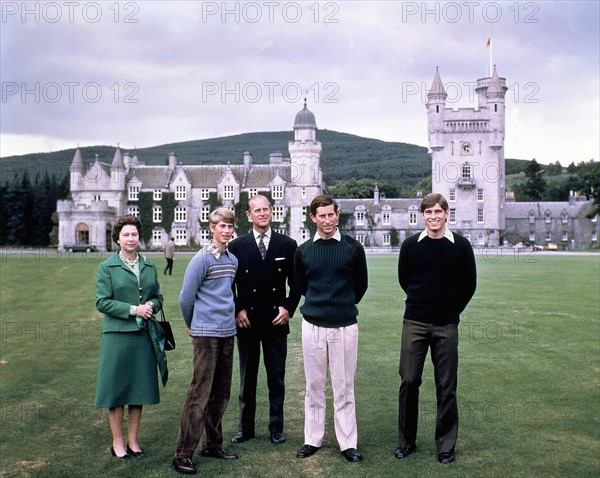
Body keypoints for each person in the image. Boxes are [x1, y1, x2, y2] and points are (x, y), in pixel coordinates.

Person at [395, 192, 477, 465]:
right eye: (428, 213)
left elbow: (469, 285)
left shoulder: (461, 246)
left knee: (446, 386)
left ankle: (445, 446)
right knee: (408, 381)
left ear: (446, 214)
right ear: (423, 215)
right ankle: (406, 442)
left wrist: (451, 310)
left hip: (446, 324)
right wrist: (423, 304)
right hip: (415, 321)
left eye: (438, 212)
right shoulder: (410, 246)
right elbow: (405, 280)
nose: (433, 217)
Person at [294, 194, 368, 463]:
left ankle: (348, 443)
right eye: (321, 216)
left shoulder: (353, 248)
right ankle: (312, 439)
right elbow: (302, 286)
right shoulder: (303, 251)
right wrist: (320, 305)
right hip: (312, 324)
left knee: (344, 387)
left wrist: (342, 305)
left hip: (345, 326)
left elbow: (361, 286)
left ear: (338, 215)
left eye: (331, 214)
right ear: (313, 218)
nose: (327, 220)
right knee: (314, 386)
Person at [228, 195, 301, 445]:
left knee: (276, 378)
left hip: (275, 321)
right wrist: (238, 310)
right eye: (257, 210)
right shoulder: (237, 246)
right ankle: (245, 429)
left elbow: (298, 284)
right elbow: (228, 285)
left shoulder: (287, 244)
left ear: (272, 211)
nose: (262, 214)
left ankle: (276, 429)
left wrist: (288, 309)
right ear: (248, 215)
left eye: (266, 209)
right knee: (247, 379)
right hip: (247, 322)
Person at [172, 207, 239, 475]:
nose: (226, 230)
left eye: (230, 226)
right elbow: (185, 298)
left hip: (227, 332)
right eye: (221, 226)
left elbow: (228, 295)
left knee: (221, 393)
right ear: (211, 228)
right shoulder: (201, 259)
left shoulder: (232, 260)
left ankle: (212, 445)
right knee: (199, 393)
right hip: (205, 334)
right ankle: (182, 454)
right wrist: (192, 324)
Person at [95, 214, 165, 459]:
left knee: (139, 389)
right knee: (117, 390)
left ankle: (134, 442)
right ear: (117, 238)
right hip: (116, 336)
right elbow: (102, 302)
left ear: (139, 237)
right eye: (125, 234)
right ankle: (117, 443)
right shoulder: (107, 267)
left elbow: (158, 297)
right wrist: (133, 309)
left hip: (142, 336)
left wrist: (151, 306)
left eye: (134, 234)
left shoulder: (149, 265)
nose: (130, 238)